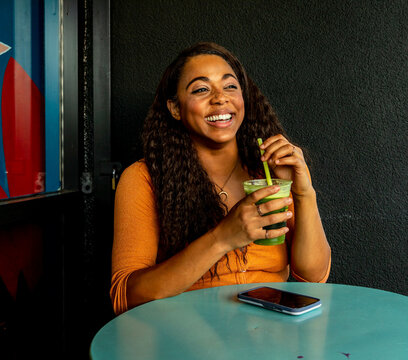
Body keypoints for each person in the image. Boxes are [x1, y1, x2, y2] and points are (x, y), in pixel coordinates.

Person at [110, 42, 331, 315]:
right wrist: (223, 237)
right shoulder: (144, 178)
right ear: (175, 108)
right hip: (189, 339)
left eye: (230, 86)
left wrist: (303, 193)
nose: (220, 98)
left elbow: (313, 277)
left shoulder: (269, 173)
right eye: (201, 89)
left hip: (270, 335)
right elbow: (126, 297)